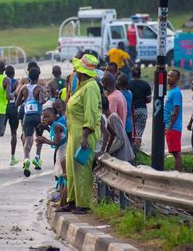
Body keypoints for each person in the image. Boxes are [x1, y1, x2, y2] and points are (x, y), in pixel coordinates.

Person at [58, 54, 101, 214]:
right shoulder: (82, 87)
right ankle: (72, 200)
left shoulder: (90, 87)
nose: (75, 72)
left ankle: (83, 204)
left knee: (81, 169)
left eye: (77, 70)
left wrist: (84, 136)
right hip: (73, 132)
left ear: (82, 72)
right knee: (71, 168)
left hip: (84, 133)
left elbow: (90, 114)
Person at [16, 68, 46, 177]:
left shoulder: (23, 88)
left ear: (29, 77)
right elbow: (42, 101)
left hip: (27, 116)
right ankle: (37, 157)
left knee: (28, 138)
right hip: (37, 116)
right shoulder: (39, 88)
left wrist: (26, 101)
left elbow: (17, 103)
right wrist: (44, 98)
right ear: (38, 76)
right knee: (39, 137)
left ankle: (26, 158)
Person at [35, 107, 67, 206]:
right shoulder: (53, 126)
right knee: (61, 175)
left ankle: (63, 200)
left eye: (48, 117)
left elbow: (57, 142)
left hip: (64, 150)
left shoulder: (56, 126)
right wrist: (46, 129)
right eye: (44, 117)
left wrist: (44, 141)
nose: (45, 119)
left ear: (54, 116)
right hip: (61, 151)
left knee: (63, 175)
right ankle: (61, 198)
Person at [100, 95, 135, 163]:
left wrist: (108, 152)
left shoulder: (112, 118)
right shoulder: (110, 118)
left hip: (124, 157)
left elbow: (120, 138)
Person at [164, 70, 183, 172]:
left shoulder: (176, 92)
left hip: (173, 127)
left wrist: (170, 126)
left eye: (171, 76)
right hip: (169, 126)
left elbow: (176, 110)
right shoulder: (171, 91)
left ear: (177, 79)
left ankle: (178, 174)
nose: (169, 78)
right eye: (168, 76)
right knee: (174, 152)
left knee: (176, 153)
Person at [128, 66, 151, 149]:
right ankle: (138, 151)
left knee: (131, 134)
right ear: (140, 74)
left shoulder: (129, 84)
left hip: (132, 111)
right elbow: (149, 99)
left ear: (132, 74)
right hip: (142, 110)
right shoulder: (145, 84)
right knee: (138, 134)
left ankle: (132, 153)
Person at [5, 65, 19, 166]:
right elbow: (19, 95)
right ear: (14, 73)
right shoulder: (17, 83)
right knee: (13, 133)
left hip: (3, 108)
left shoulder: (4, 82)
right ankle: (12, 157)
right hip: (13, 108)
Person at [117, 74, 133, 145]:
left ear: (118, 83)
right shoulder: (130, 93)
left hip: (121, 124)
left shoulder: (118, 95)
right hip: (129, 124)